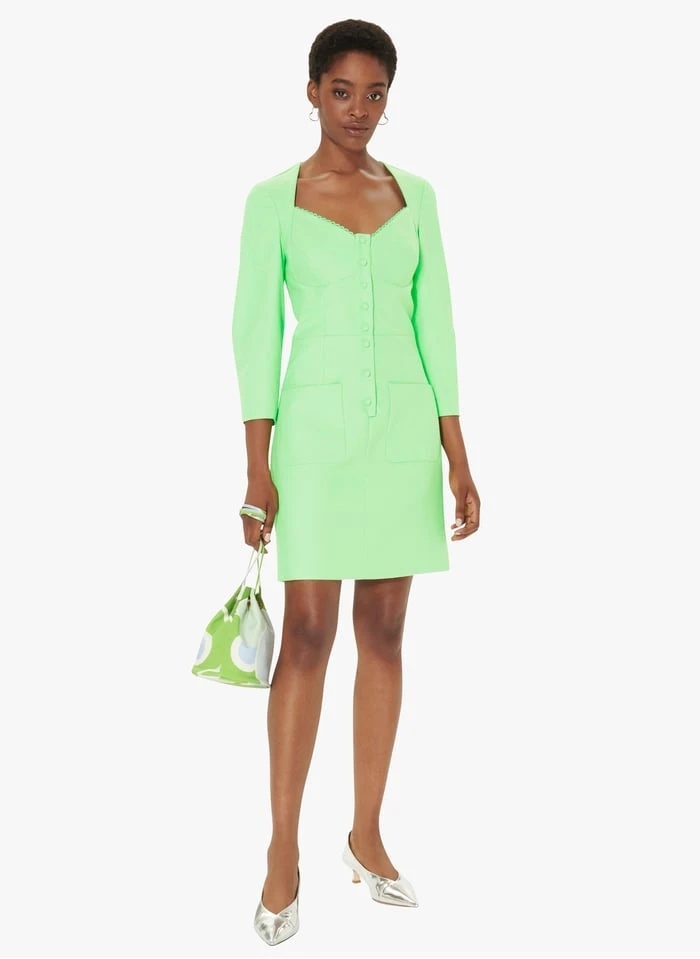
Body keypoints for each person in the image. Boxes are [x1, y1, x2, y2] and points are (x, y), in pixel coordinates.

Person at [231, 18, 481, 946]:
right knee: (306, 634)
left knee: (384, 631)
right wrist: (256, 467)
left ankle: (366, 833)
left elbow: (436, 323)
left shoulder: (415, 196)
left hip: (403, 435)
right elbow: (255, 334)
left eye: (375, 93)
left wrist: (457, 451)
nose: (359, 110)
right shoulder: (274, 200)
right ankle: (281, 851)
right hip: (313, 441)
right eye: (342, 91)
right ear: (311, 93)